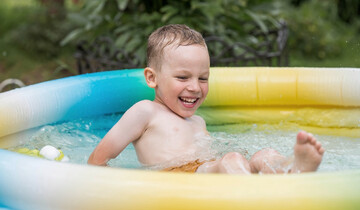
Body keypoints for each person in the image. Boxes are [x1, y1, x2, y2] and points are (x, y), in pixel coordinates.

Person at [88, 24, 324, 174]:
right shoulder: (145, 112)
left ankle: (293, 169)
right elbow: (97, 160)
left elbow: (211, 156)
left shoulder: (198, 122)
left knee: (264, 154)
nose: (195, 87)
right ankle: (258, 197)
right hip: (176, 182)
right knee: (231, 161)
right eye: (182, 77)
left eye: (203, 78)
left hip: (210, 170)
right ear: (152, 78)